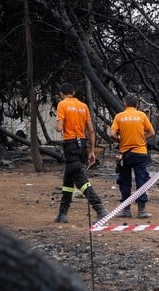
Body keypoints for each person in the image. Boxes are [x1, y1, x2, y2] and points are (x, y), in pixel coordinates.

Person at [53, 82, 108, 223]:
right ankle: (62, 213)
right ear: (73, 92)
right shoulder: (83, 106)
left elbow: (59, 128)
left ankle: (99, 207)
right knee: (68, 180)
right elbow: (90, 130)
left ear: (61, 94)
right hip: (81, 144)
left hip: (70, 144)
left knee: (79, 178)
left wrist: (57, 123)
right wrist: (91, 151)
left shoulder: (62, 105)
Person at [109, 94, 156, 218]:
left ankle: (126, 210)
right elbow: (151, 132)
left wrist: (120, 140)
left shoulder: (119, 117)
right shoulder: (142, 115)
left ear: (125, 104)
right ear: (137, 105)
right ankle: (142, 210)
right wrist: (141, 139)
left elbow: (112, 134)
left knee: (125, 181)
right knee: (141, 179)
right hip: (140, 152)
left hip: (125, 154)